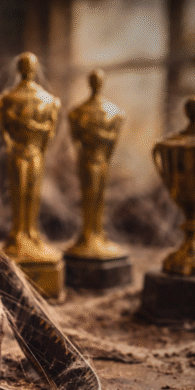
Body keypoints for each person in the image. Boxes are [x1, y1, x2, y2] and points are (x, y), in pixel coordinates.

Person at [0, 52, 61, 263]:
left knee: (24, 193)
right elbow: (48, 134)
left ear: (19, 70)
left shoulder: (8, 100)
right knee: (28, 192)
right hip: (33, 152)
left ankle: (26, 233)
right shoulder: (47, 100)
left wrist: (24, 126)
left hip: (19, 152)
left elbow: (6, 135)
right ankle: (24, 233)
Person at [66, 69, 125, 259]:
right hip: (89, 159)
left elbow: (110, 141)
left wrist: (95, 138)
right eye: (94, 80)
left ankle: (97, 232)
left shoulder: (113, 112)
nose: (96, 83)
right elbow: (77, 140)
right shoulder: (78, 112)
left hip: (100, 160)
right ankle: (88, 233)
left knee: (100, 195)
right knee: (88, 194)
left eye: (98, 80)